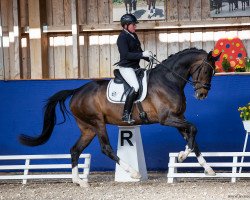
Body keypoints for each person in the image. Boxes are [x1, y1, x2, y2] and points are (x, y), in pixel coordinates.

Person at [116, 14, 152, 124]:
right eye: (133, 25)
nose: (135, 27)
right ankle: (126, 114)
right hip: (126, 67)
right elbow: (126, 55)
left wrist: (148, 57)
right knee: (135, 86)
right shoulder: (122, 38)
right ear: (126, 25)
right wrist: (142, 54)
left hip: (136, 67)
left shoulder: (134, 36)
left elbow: (138, 51)